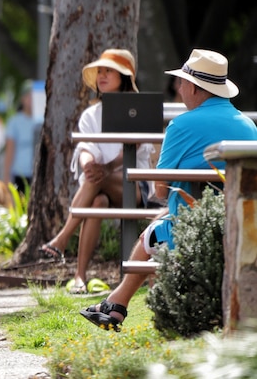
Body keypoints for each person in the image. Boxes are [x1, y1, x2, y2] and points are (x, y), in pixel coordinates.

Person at [81, 48, 257, 331]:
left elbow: (160, 192)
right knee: (157, 225)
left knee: (152, 233)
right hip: (245, 226)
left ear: (196, 88)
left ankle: (119, 307)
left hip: (192, 230)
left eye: (183, 82)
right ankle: (116, 303)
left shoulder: (182, 125)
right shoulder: (248, 126)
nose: (180, 88)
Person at [39, 49, 154, 293]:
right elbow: (85, 148)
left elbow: (136, 147)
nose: (102, 75)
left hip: (136, 186)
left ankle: (61, 239)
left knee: (96, 181)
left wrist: (106, 167)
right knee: (97, 200)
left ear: (123, 77)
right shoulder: (91, 114)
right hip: (101, 184)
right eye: (99, 71)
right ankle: (79, 276)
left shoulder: (139, 108)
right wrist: (89, 165)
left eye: (108, 71)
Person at [2, 80, 37, 193]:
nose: (31, 99)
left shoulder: (42, 121)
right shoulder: (14, 122)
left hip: (38, 174)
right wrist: (6, 176)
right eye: (28, 96)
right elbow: (9, 150)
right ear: (22, 98)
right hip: (20, 173)